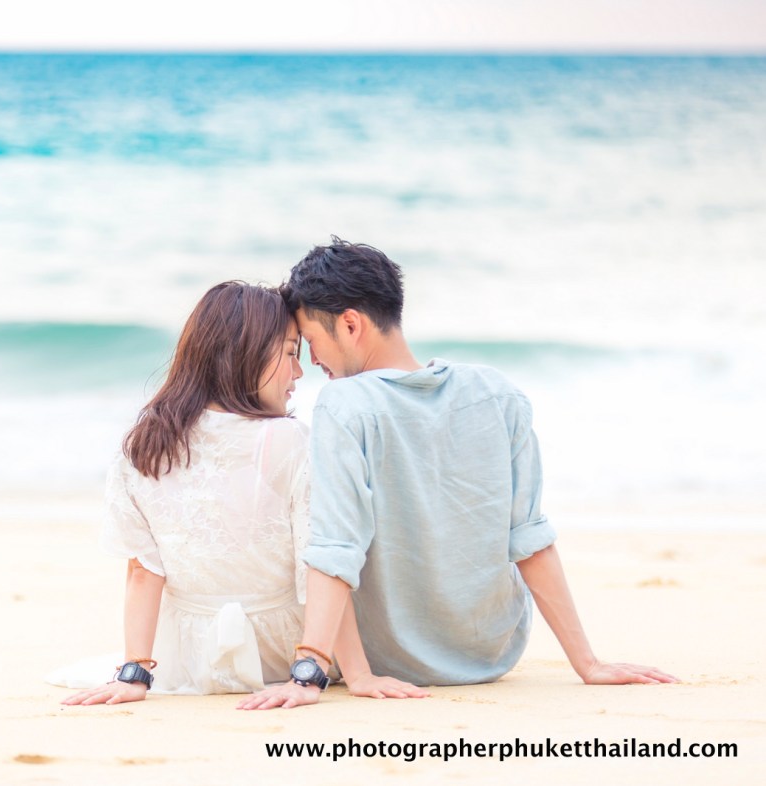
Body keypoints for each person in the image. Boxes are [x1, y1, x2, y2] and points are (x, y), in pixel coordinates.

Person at [238, 239, 677, 711]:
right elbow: (529, 537)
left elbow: (336, 547)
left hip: (392, 659)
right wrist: (587, 663)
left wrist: (307, 674)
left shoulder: (345, 404)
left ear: (350, 324)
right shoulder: (496, 392)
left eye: (312, 341)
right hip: (490, 653)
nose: (311, 361)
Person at [57, 281, 406, 705]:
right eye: (292, 353)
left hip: (191, 658)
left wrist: (135, 672)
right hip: (282, 654)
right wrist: (355, 674)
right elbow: (321, 563)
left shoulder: (145, 445)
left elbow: (143, 571)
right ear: (248, 352)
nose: (298, 372)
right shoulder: (290, 440)